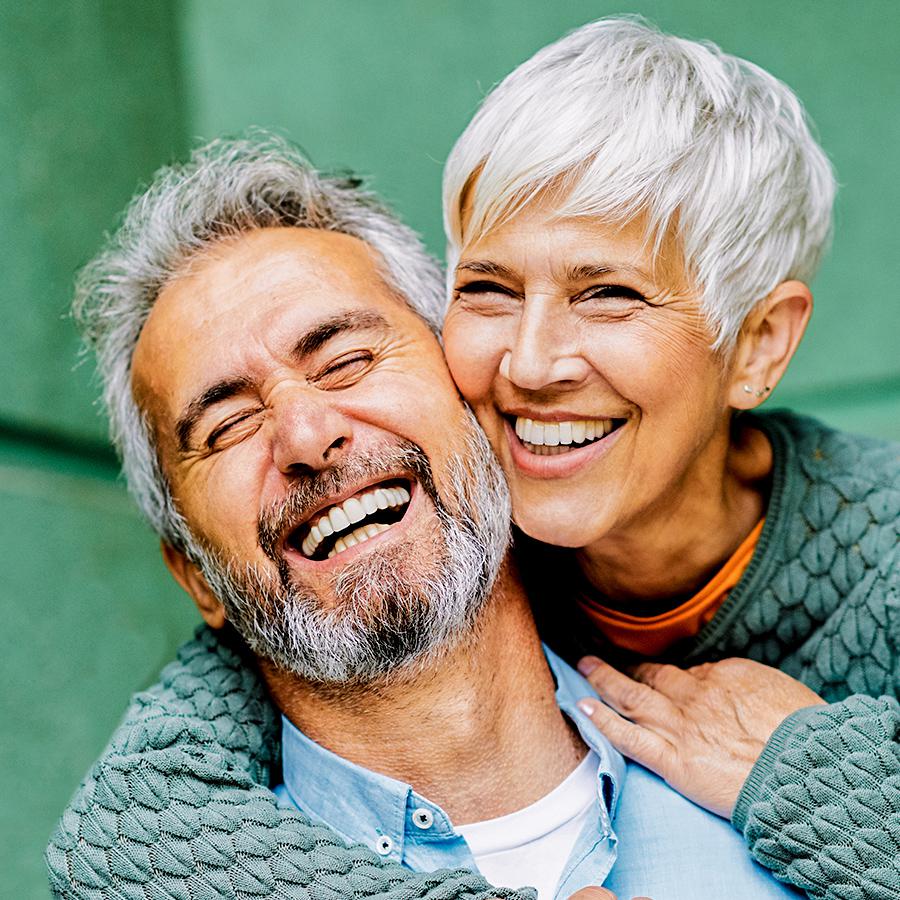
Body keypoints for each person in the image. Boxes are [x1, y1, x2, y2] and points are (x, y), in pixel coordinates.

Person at [51, 15, 900, 899]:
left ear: (758, 344)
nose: (529, 366)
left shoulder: (875, 567)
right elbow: (120, 836)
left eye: (609, 295)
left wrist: (817, 781)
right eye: (490, 290)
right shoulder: (456, 519)